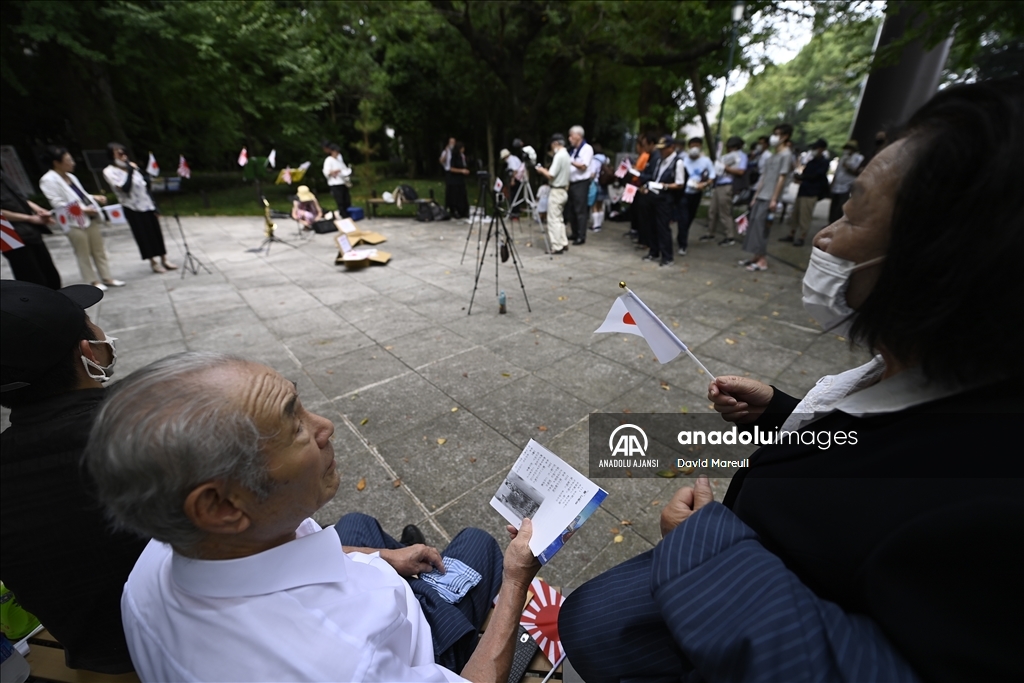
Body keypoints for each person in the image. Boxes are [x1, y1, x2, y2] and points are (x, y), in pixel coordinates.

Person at [558, 78, 1024, 683]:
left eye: (854, 213)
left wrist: (704, 550)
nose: (824, 238)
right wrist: (784, 412)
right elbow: (869, 449)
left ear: (936, 261)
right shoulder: (920, 379)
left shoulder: (991, 504)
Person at [84, 352, 541, 682]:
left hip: (370, 596)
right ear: (220, 507)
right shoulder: (339, 664)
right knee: (479, 544)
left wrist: (383, 556)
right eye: (294, 424)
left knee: (359, 521)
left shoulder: (158, 561)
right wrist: (517, 576)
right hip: (414, 648)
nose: (325, 427)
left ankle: (399, 553)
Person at [1, 280, 146, 674]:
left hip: (101, 659)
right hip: (207, 639)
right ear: (88, 350)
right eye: (91, 324)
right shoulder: (150, 429)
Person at [39, 146, 125, 291]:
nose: (72, 162)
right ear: (56, 162)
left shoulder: (71, 177)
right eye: (68, 160)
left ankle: (107, 277)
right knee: (82, 252)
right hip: (73, 222)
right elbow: (57, 203)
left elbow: (81, 196)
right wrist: (83, 209)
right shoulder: (48, 180)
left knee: (99, 250)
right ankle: (93, 281)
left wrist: (94, 198)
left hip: (89, 217)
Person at [102, 143, 177, 273]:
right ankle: (153, 261)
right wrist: (130, 172)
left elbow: (144, 187)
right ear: (112, 155)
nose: (123, 155)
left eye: (124, 152)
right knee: (143, 235)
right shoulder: (109, 171)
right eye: (119, 153)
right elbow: (125, 188)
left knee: (156, 233)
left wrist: (154, 206)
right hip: (132, 207)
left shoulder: (132, 168)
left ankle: (164, 258)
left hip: (146, 204)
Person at [741, 124, 793, 272]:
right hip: (761, 195)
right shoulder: (773, 155)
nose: (774, 137)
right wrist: (755, 196)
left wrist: (774, 199)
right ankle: (756, 256)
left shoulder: (786, 155)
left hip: (770, 197)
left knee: (762, 228)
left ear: (785, 136)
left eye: (778, 134)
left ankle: (762, 259)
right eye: (774, 133)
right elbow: (764, 176)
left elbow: (782, 178)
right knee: (754, 225)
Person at [0, 170, 61, 289]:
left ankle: (57, 303)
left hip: (31, 231)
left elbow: (20, 197)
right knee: (32, 279)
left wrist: (38, 209)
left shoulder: (3, 174)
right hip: (9, 235)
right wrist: (29, 218)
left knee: (50, 273)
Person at [640, 136, 685, 267]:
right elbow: (655, 177)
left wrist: (665, 186)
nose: (662, 151)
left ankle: (667, 256)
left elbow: (680, 183)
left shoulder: (677, 162)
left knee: (663, 227)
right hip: (653, 195)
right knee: (651, 224)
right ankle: (654, 251)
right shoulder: (660, 160)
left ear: (671, 148)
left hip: (666, 198)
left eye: (664, 149)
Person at [701, 136, 747, 247]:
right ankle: (710, 233)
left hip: (728, 185)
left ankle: (729, 236)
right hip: (718, 185)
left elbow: (741, 171)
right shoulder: (727, 156)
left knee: (724, 212)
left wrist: (724, 168)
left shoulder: (741, 156)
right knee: (712, 210)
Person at [783, 137, 829, 246]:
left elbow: (816, 176)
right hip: (802, 191)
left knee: (805, 216)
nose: (814, 150)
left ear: (822, 149)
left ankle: (801, 237)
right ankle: (791, 234)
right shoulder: (811, 161)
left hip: (811, 193)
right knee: (795, 215)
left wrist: (803, 177)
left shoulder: (824, 162)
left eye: (816, 148)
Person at [678, 137, 715, 256]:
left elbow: (712, 176)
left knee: (689, 218)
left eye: (697, 145)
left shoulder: (706, 161)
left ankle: (682, 235)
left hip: (696, 193)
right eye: (692, 145)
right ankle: (682, 244)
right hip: (684, 193)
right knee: (683, 218)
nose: (694, 148)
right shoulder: (683, 160)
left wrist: (703, 184)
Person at [535, 134, 571, 254]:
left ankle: (557, 246)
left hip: (556, 190)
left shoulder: (559, 156)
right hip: (564, 190)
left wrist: (541, 170)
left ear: (555, 143)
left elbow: (551, 174)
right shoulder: (566, 155)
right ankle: (563, 242)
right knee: (559, 218)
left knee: (553, 219)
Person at [565, 125, 594, 245]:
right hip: (571, 182)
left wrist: (569, 160)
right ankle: (575, 232)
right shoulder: (573, 150)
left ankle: (581, 235)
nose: (570, 138)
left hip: (581, 182)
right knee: (571, 209)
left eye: (571, 135)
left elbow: (583, 166)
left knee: (580, 210)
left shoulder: (586, 149)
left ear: (578, 136)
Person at [829, 139, 864, 223]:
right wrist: (832, 184)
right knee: (833, 207)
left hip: (847, 186)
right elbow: (837, 172)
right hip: (837, 186)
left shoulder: (858, 158)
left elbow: (857, 171)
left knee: (841, 208)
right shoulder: (843, 158)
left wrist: (847, 167)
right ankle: (830, 222)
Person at [588, 143, 609, 234]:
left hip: (596, 183)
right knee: (600, 205)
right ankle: (599, 224)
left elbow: (592, 173)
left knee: (594, 205)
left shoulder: (594, 160)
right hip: (604, 184)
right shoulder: (606, 159)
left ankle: (595, 225)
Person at [447, 141, 471, 219]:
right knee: (455, 196)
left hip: (461, 179)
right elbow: (451, 168)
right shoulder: (454, 157)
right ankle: (455, 210)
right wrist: (461, 171)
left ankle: (464, 211)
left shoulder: (462, 157)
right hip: (454, 180)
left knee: (462, 195)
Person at [440, 137, 456, 215]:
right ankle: (447, 206)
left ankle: (454, 207)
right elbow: (441, 161)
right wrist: (446, 152)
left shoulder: (455, 152)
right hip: (448, 172)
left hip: (455, 172)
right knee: (448, 189)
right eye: (451, 142)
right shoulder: (446, 151)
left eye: (453, 142)